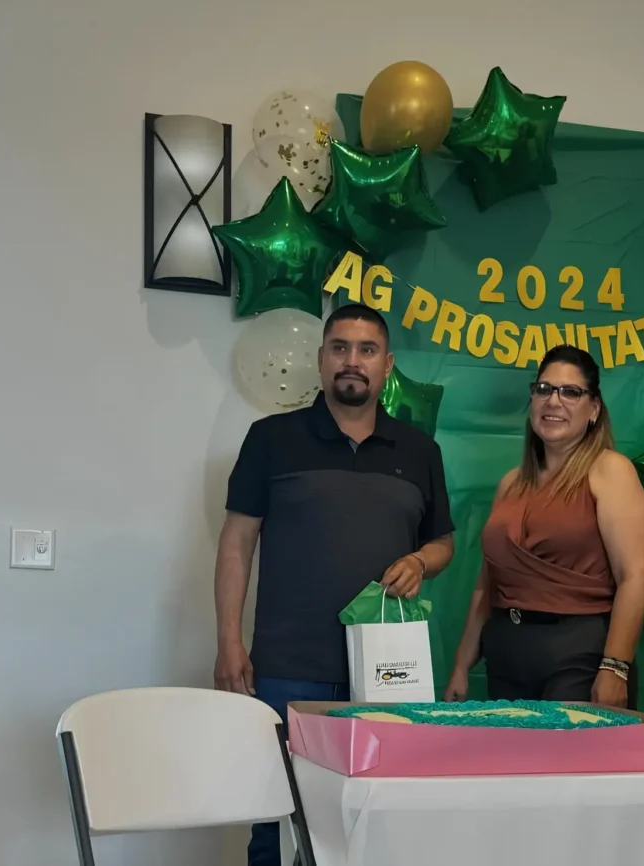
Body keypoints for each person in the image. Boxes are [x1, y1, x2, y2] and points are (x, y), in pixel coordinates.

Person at [213, 303, 454, 866]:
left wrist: (421, 562)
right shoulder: (270, 439)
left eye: (367, 350)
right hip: (287, 667)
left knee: (379, 817)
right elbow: (236, 543)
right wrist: (228, 641)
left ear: (387, 365)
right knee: (277, 820)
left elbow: (443, 543)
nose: (352, 360)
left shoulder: (421, 451)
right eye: (340, 348)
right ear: (321, 359)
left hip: (389, 670)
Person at [443, 345, 644, 708]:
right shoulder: (510, 484)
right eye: (543, 389)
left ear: (594, 409)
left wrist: (615, 667)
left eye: (570, 392)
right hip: (506, 656)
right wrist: (462, 664)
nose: (553, 401)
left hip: (580, 655)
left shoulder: (610, 470)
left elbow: (637, 575)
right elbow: (488, 580)